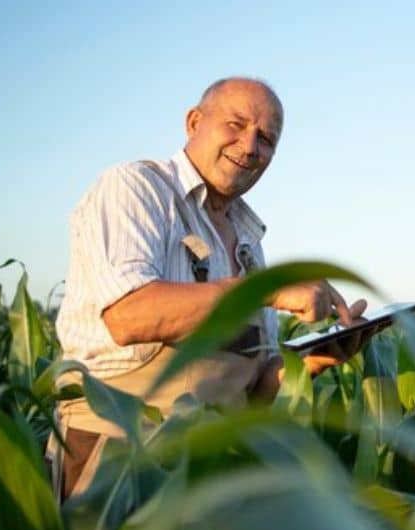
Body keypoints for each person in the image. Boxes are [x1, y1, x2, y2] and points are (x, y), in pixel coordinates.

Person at [52, 77, 367, 499]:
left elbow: (252, 393)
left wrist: (307, 363)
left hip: (209, 467)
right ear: (194, 121)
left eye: (267, 139)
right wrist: (264, 291)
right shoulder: (136, 189)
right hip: (120, 457)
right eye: (235, 124)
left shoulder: (249, 240)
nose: (250, 146)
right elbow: (129, 315)